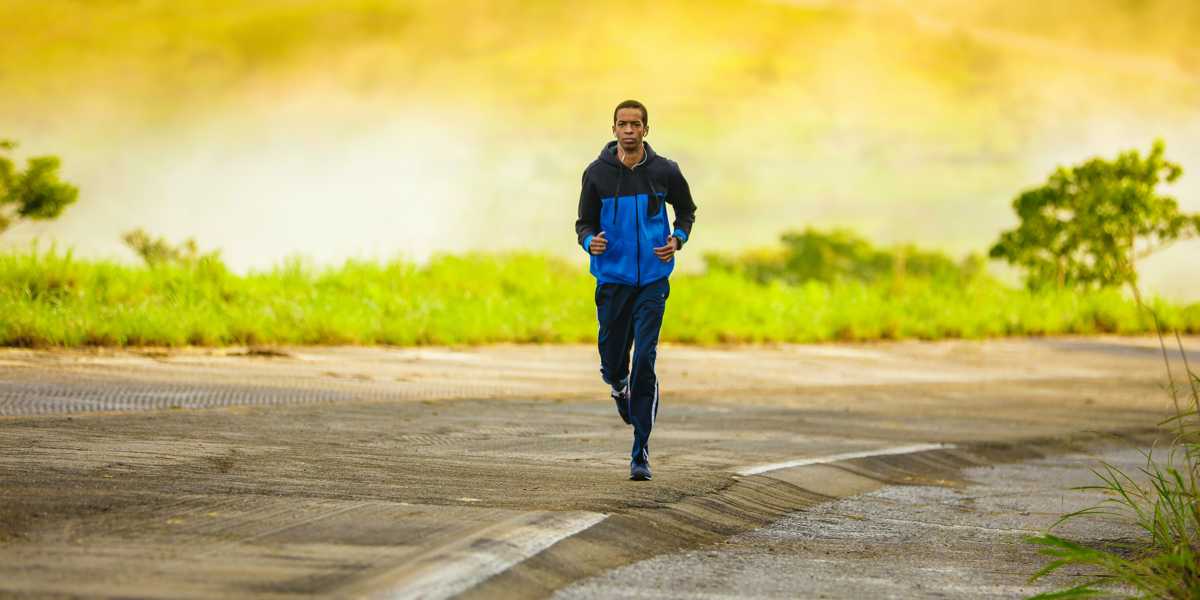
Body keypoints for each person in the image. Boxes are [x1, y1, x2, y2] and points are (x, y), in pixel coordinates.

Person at [574, 99, 697, 481]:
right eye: (622, 124)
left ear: (646, 129)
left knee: (645, 357)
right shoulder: (596, 174)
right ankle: (617, 384)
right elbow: (583, 223)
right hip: (613, 280)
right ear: (613, 129)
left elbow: (688, 211)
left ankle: (640, 449)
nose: (629, 130)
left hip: (653, 282)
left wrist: (677, 239)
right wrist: (589, 240)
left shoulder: (665, 171)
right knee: (614, 360)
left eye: (635, 124)